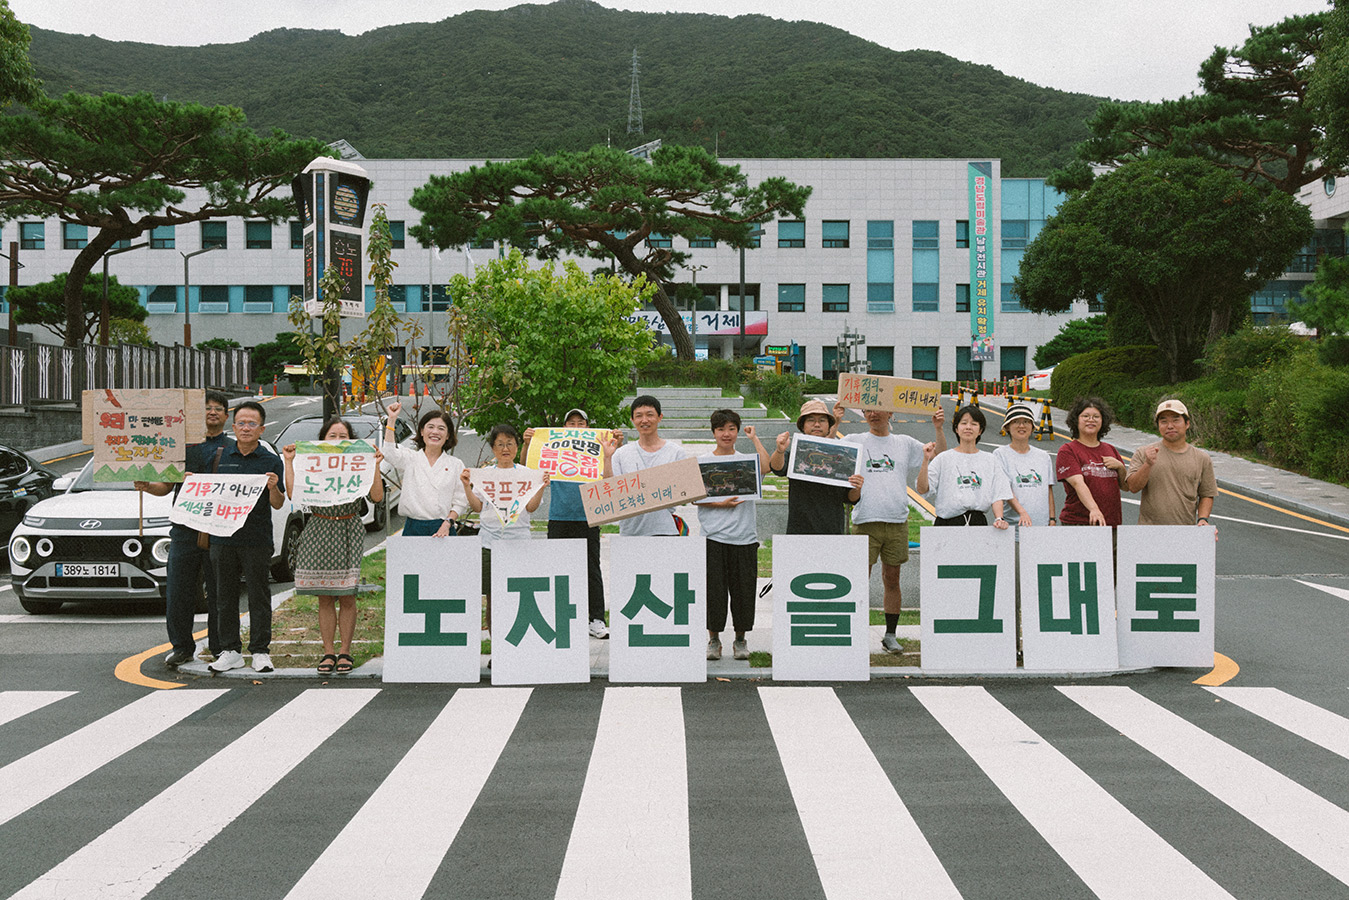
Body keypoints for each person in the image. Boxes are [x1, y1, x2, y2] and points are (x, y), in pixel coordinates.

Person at [134, 390, 233, 668]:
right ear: (197, 415)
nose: (212, 412)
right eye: (207, 408)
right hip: (184, 528)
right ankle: (181, 646)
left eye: (218, 408)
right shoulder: (180, 448)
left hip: (219, 528)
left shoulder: (234, 448)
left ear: (226, 416)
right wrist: (146, 486)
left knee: (219, 592)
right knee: (178, 591)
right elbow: (165, 487)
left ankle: (219, 647)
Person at [281, 418, 385, 676]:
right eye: (332, 435)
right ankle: (328, 651)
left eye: (343, 436)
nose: (337, 440)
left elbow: (377, 496)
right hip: (319, 528)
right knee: (324, 596)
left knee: (347, 594)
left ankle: (346, 651)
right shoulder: (313, 462)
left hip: (348, 528)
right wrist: (289, 462)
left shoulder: (358, 462)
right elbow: (293, 493)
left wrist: (374, 465)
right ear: (322, 439)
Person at [840, 400, 945, 654]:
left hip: (897, 520)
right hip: (865, 520)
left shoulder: (905, 443)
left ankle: (890, 634)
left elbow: (938, 454)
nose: (873, 414)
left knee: (892, 579)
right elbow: (830, 449)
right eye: (867, 410)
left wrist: (939, 428)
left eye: (878, 408)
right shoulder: (855, 439)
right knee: (858, 579)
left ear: (890, 412)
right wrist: (835, 421)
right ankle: (853, 631)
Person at [523, 408, 619, 639]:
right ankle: (559, 616)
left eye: (581, 423)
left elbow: (609, 480)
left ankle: (596, 619)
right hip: (558, 517)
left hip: (588, 518)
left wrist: (610, 453)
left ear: (587, 427)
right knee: (557, 569)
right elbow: (527, 467)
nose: (576, 427)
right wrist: (528, 443)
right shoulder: (554, 450)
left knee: (591, 570)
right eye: (571, 423)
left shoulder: (596, 449)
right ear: (563, 428)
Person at [208, 401, 286, 673]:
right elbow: (205, 492)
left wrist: (274, 487)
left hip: (256, 538)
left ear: (262, 428)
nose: (245, 428)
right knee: (224, 595)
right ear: (233, 426)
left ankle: (261, 651)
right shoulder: (219, 457)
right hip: (222, 537)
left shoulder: (270, 460)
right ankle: (229, 650)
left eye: (252, 423)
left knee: (259, 595)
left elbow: (277, 503)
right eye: (241, 423)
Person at [696, 409, 770, 661]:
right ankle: (713, 639)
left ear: (737, 431)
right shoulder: (703, 461)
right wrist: (721, 505)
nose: (726, 434)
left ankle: (740, 640)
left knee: (743, 591)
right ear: (713, 432)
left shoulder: (746, 461)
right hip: (713, 537)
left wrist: (755, 439)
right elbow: (695, 498)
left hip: (744, 537)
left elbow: (768, 467)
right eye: (720, 429)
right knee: (713, 592)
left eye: (731, 429)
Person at [461, 423, 547, 634]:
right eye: (500, 444)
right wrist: (466, 487)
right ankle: (496, 648)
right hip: (489, 542)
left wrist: (541, 487)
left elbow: (531, 508)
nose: (505, 449)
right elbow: (478, 507)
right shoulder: (485, 474)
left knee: (520, 595)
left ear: (517, 447)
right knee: (492, 598)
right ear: (493, 448)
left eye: (509, 443)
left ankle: (516, 647)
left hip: (520, 543)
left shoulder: (528, 474)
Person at [768, 398, 865, 536]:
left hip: (832, 530)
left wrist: (857, 486)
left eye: (822, 420)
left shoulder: (842, 456)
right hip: (799, 530)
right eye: (811, 420)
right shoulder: (797, 452)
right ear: (803, 426)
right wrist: (779, 450)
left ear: (828, 426)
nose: (817, 424)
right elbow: (777, 468)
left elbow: (850, 498)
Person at [917, 404, 1018, 529]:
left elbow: (998, 492)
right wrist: (925, 460)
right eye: (964, 423)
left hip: (978, 523)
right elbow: (922, 489)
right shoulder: (943, 458)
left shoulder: (990, 460)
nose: (968, 427)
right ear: (956, 429)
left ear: (980, 430)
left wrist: (999, 518)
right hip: (947, 525)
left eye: (974, 424)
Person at [1124, 399, 1217, 529]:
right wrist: (1148, 464)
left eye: (1175, 420)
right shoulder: (1144, 452)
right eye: (1164, 421)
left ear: (1187, 423)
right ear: (1158, 426)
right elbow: (1133, 487)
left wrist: (1202, 519)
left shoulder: (1202, 458)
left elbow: (1207, 493)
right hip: (1148, 531)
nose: (1170, 426)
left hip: (1185, 531)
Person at [380, 400, 467, 537]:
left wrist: (448, 523)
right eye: (430, 427)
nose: (435, 432)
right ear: (421, 431)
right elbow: (389, 453)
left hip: (443, 528)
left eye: (441, 429)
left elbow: (461, 500)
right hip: (413, 528)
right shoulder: (411, 458)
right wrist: (391, 420)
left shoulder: (456, 465)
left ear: (448, 435)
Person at [607, 395, 689, 536]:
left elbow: (684, 492)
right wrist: (607, 456)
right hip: (630, 532)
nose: (644, 420)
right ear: (632, 420)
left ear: (659, 417)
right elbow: (610, 491)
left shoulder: (676, 452)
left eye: (650, 415)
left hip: (665, 531)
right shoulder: (621, 454)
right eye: (639, 416)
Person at [1056, 396, 1127, 527]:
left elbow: (1126, 487)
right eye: (1086, 416)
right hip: (1079, 522)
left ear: (1103, 421)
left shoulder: (1110, 449)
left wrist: (1121, 468)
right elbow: (1078, 483)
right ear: (1076, 420)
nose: (1091, 420)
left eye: (1096, 417)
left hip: (1111, 523)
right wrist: (1094, 509)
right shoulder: (1068, 450)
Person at [994, 402, 1057, 530]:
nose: (1021, 426)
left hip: (1042, 526)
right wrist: (1022, 512)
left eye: (1026, 422)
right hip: (1014, 526)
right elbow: (1005, 489)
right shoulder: (1000, 455)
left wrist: (1052, 519)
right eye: (1016, 422)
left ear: (1032, 427)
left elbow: (1048, 490)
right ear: (1007, 427)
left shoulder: (1043, 456)